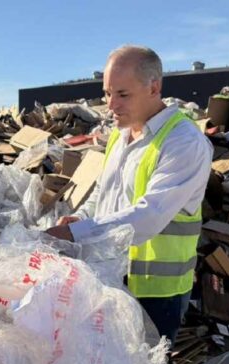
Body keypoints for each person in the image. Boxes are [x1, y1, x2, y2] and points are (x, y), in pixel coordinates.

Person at [45, 45, 213, 344]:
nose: (111, 105)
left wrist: (74, 234)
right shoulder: (121, 138)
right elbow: (104, 195)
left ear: (154, 87)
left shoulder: (183, 142)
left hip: (155, 293)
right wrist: (81, 216)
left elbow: (149, 215)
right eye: (107, 93)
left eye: (122, 94)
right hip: (111, 278)